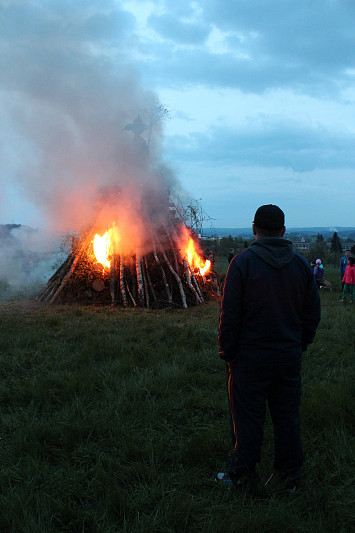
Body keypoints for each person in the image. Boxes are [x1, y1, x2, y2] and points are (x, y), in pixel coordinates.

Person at [216, 204, 321, 493]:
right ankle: (290, 478)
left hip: (249, 359)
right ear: (283, 231)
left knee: (247, 418)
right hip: (287, 356)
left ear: (254, 229)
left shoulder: (242, 263)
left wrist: (226, 350)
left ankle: (242, 475)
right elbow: (313, 312)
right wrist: (299, 343)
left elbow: (230, 314)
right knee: (287, 415)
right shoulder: (301, 265)